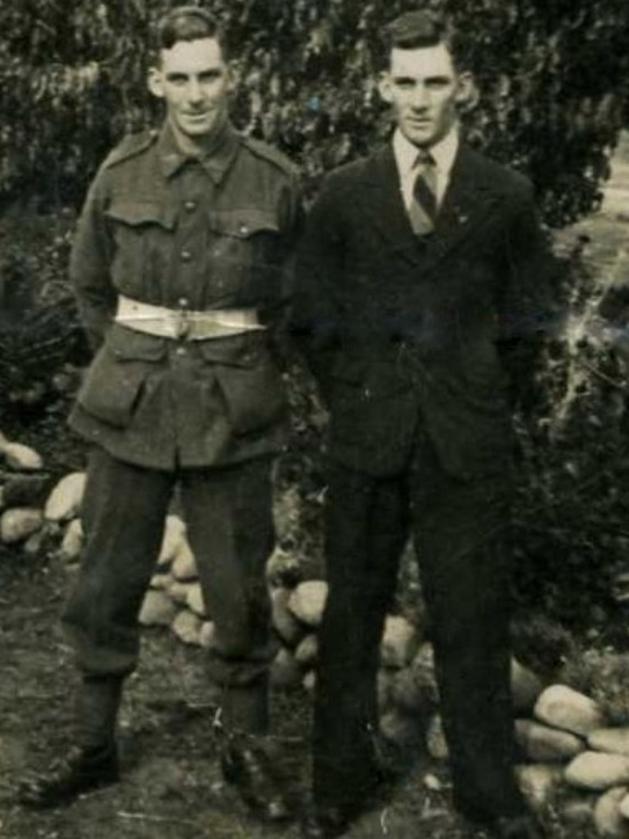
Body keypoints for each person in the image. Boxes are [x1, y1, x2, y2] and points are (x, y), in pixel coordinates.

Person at [19, 6, 301, 820]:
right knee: (105, 582)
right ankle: (92, 744)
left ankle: (247, 752)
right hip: (130, 408)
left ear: (230, 77)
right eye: (178, 77)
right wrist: (135, 357)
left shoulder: (273, 178)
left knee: (238, 590)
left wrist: (232, 363)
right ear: (155, 82)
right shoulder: (121, 171)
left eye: (208, 74)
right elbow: (89, 284)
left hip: (231, 413)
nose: (195, 93)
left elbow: (290, 298)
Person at [293, 10, 557, 839]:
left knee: (471, 615)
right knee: (351, 614)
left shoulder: (503, 195)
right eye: (403, 83)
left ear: (462, 87)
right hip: (368, 437)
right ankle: (337, 779)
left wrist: (470, 393)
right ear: (382, 87)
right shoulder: (342, 194)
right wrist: (363, 395)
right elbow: (309, 320)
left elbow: (527, 325)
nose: (418, 100)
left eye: (434, 82)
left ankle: (489, 791)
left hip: (462, 440)